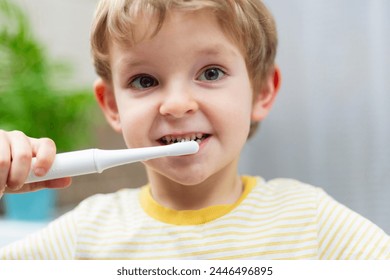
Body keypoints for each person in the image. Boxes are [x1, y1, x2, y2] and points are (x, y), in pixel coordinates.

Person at [0, 0, 389, 260]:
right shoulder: (84, 236)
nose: (176, 104)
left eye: (211, 73)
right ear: (113, 106)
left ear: (262, 91)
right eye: (144, 80)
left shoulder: (312, 223)